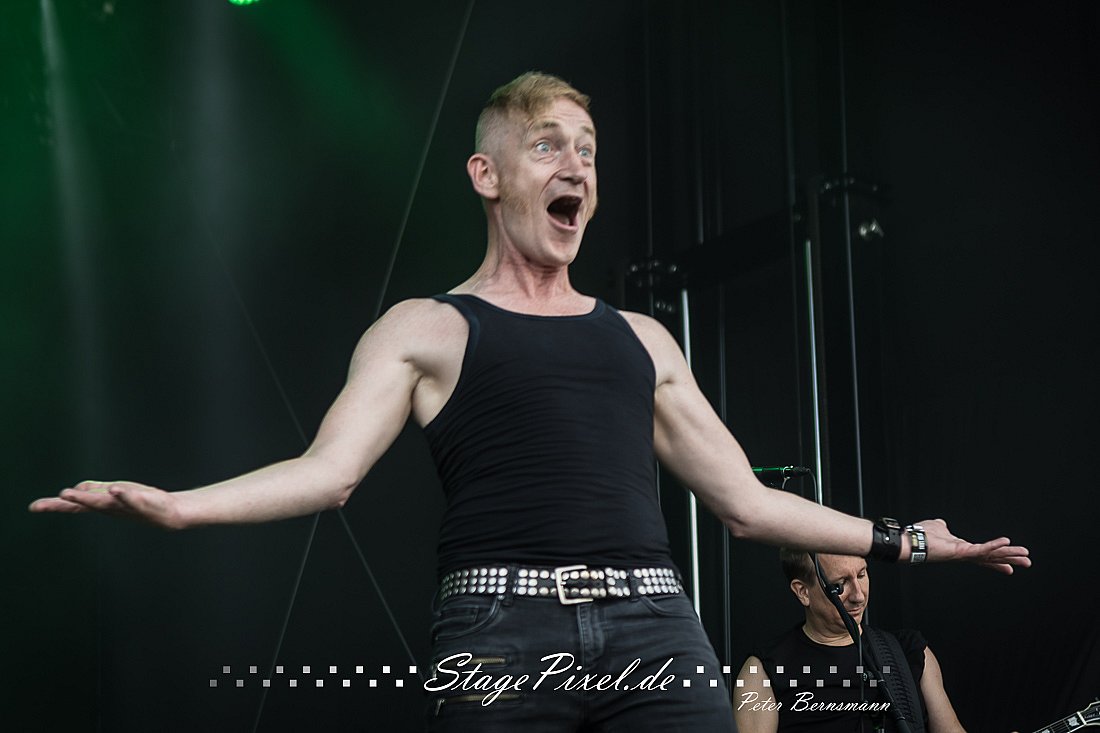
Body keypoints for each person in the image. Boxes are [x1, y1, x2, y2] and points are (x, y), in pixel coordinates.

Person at [29, 72, 1029, 731]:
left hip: (652, 621)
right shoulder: (425, 327)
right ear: (487, 173)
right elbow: (327, 474)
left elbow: (745, 502)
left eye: (588, 150)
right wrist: (179, 505)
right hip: (497, 627)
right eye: (550, 146)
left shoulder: (642, 338)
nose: (577, 167)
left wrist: (908, 541)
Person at [734, 551, 966, 732]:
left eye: (862, 575)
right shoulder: (763, 671)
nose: (858, 596)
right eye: (840, 584)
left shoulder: (910, 651)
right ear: (803, 591)